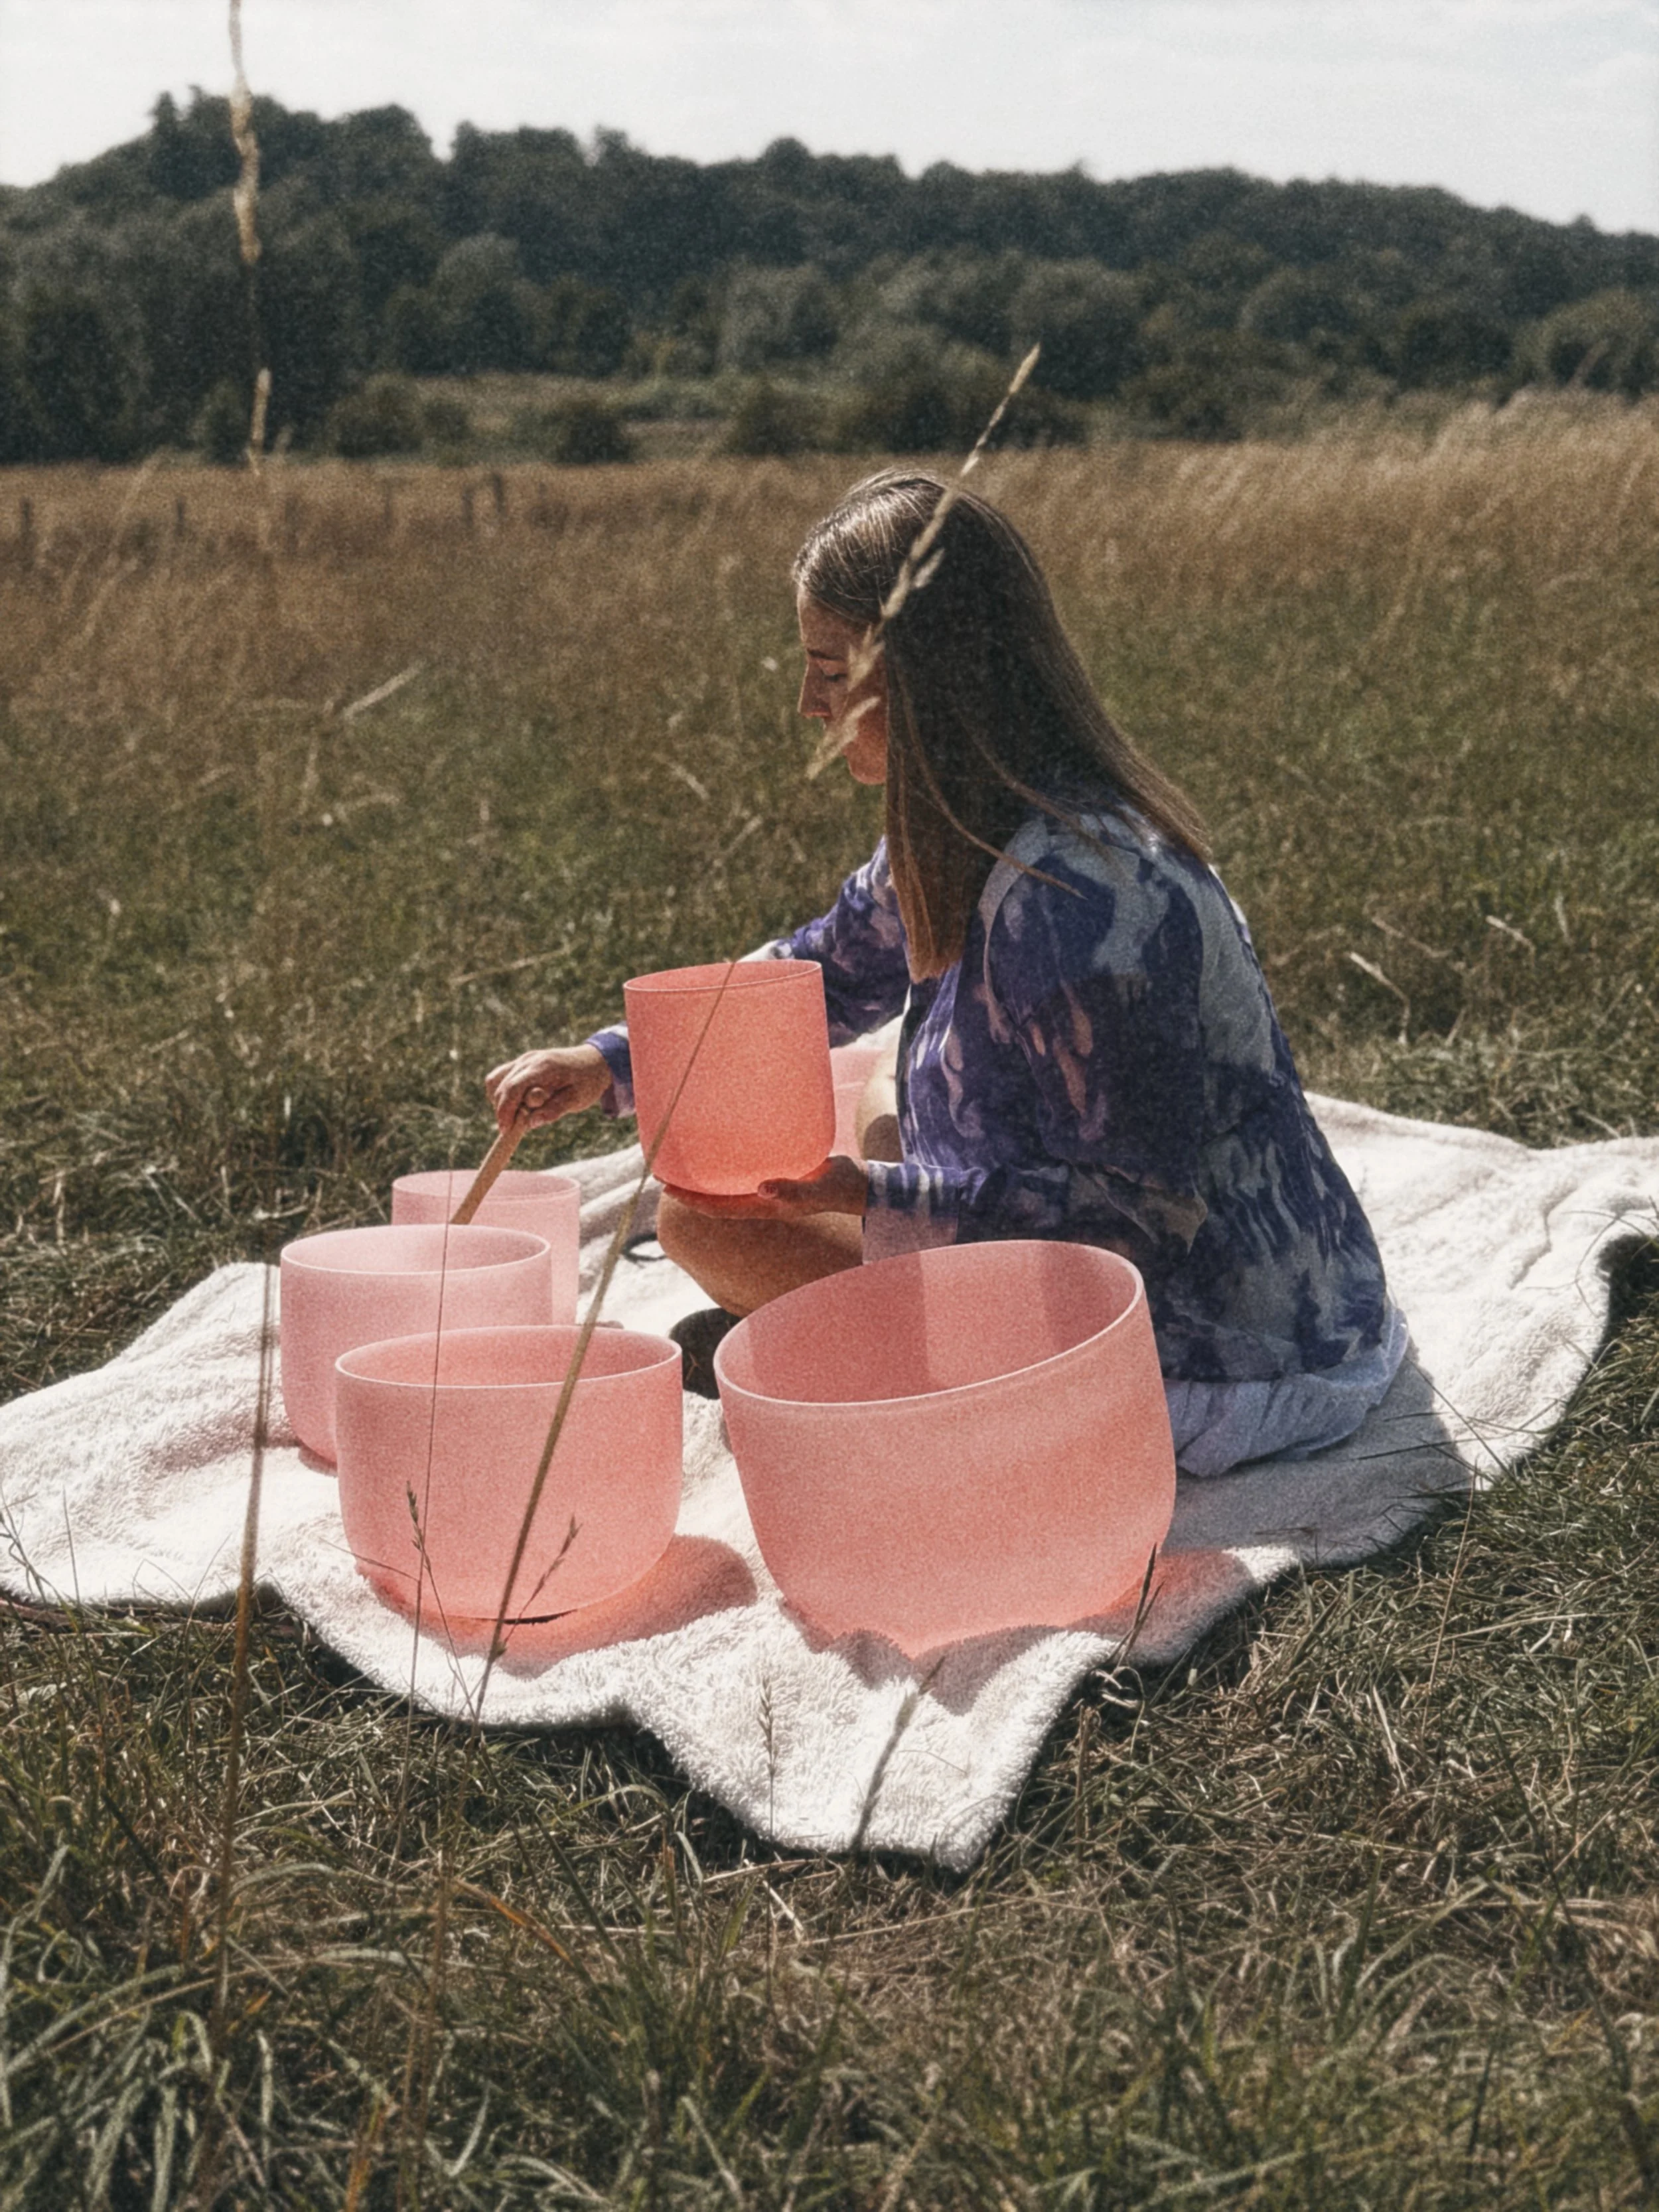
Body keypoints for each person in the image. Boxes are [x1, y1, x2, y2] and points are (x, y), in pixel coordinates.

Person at [486, 470, 1406, 1475]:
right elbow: (825, 970)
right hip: (1042, 1257)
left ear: (930, 676)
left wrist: (881, 1192)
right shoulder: (964, 825)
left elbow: (1136, 1221)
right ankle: (858, 1351)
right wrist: (607, 1064)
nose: (806, 704)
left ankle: (873, 1372)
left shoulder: (1083, 906)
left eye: (830, 672)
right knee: (708, 1216)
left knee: (776, 1199)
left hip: (1218, 1344)